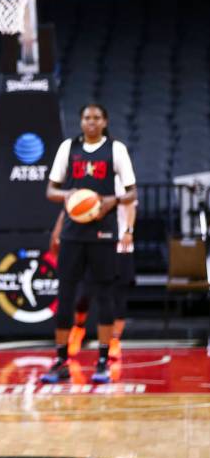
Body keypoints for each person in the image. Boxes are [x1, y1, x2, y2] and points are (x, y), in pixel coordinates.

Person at [42, 103, 136, 384]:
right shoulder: (68, 148)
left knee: (104, 295)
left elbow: (132, 192)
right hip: (72, 231)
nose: (91, 122)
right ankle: (61, 360)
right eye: (86, 117)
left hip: (103, 231)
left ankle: (103, 360)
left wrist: (112, 200)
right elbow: (50, 190)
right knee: (66, 295)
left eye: (96, 118)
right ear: (80, 121)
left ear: (105, 121)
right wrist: (69, 193)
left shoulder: (116, 149)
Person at [51, 176, 137, 361]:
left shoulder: (121, 181)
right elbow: (71, 208)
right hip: (92, 240)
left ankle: (114, 340)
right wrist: (58, 231)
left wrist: (128, 231)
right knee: (85, 292)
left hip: (120, 243)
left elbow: (130, 206)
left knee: (118, 294)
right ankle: (78, 328)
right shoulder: (85, 181)